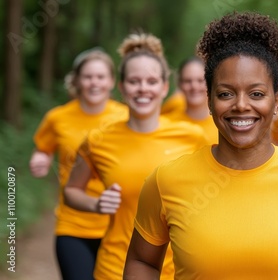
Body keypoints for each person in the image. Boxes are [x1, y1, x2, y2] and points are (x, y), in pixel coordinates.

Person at [124, 11, 278, 280]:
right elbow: (142, 262)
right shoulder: (165, 180)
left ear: (276, 101)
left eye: (256, 93)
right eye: (225, 93)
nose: (241, 105)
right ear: (209, 100)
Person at [63, 33, 207, 280]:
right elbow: (71, 191)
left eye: (151, 81)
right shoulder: (98, 140)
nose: (143, 88)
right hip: (115, 268)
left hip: (178, 271)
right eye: (134, 81)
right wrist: (95, 205)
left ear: (164, 87)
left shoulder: (192, 137)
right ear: (121, 87)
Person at [29, 48, 127, 280]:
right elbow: (42, 149)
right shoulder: (58, 118)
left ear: (112, 81)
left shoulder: (126, 117)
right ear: (77, 80)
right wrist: (40, 158)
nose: (94, 83)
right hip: (72, 223)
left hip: (118, 225)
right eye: (88, 76)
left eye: (101, 77)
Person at [165, 57, 218, 144]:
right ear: (180, 84)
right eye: (187, 81)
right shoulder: (168, 124)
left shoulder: (222, 124)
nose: (194, 86)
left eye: (200, 81)